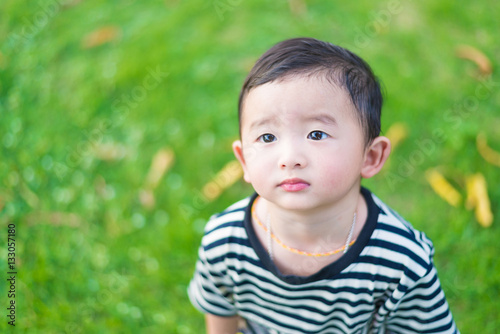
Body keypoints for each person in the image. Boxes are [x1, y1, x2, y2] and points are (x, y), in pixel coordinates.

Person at [188, 37, 459, 333]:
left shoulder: (400, 261)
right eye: (267, 137)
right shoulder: (224, 240)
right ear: (243, 161)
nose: (290, 158)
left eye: (317, 134)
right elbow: (220, 315)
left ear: (370, 156)